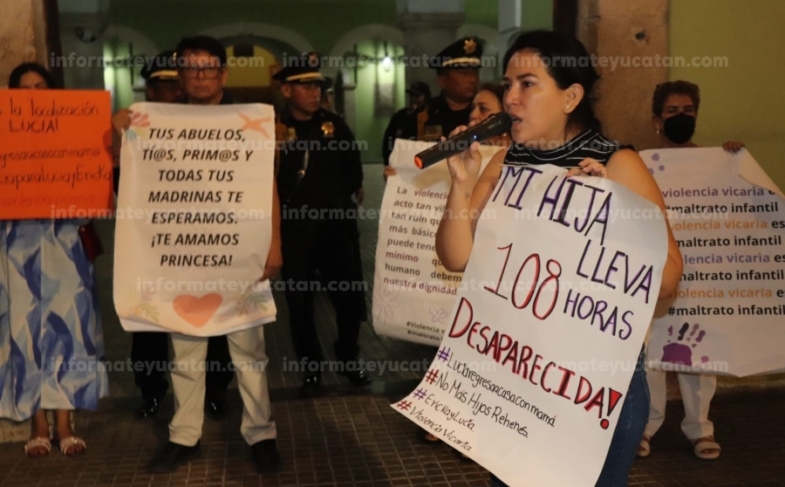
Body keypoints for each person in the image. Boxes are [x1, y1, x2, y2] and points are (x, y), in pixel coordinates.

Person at [434, 31, 684, 487]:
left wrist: (606, 209)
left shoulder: (619, 163)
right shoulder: (507, 161)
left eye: (527, 84)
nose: (510, 98)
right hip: (519, 384)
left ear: (570, 96)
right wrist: (460, 183)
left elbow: (668, 279)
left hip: (592, 392)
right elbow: (455, 257)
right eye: (507, 84)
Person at [113, 35, 282, 473]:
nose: (201, 74)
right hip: (182, 256)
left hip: (238, 252)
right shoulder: (158, 121)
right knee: (184, 349)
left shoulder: (248, 120)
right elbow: (127, 163)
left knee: (249, 350)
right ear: (180, 75)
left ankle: (260, 432)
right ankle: (184, 435)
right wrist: (120, 126)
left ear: (223, 73)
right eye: (191, 67)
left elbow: (267, 188)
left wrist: (274, 244)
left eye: (209, 67)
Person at [111, 50, 235, 421]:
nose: (171, 93)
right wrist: (117, 129)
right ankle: (150, 390)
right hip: (151, 243)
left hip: (203, 241)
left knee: (212, 320)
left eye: (174, 85)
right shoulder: (132, 127)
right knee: (149, 321)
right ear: (148, 89)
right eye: (161, 86)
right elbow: (117, 180)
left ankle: (214, 391)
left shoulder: (208, 122)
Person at [1, 62, 109, 457]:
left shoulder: (75, 130)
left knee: (69, 329)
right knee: (24, 331)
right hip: (15, 245)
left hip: (66, 244)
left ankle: (65, 422)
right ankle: (38, 423)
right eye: (24, 88)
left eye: (41, 86)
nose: (33, 93)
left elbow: (102, 187)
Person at [638, 80, 743, 461]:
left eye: (688, 111)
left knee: (701, 353)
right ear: (656, 120)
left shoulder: (716, 162)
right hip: (659, 273)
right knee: (652, 351)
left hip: (702, 276)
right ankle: (645, 427)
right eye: (672, 112)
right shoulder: (642, 165)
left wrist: (734, 161)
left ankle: (700, 428)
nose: (681, 117)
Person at [274, 52, 369, 395]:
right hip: (294, 233)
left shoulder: (335, 125)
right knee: (300, 305)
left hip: (335, 230)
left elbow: (354, 171)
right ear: (286, 90)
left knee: (347, 301)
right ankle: (310, 368)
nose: (315, 92)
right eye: (306, 86)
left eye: (317, 86)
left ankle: (348, 357)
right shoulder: (273, 130)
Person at [383, 82, 510, 180]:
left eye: (483, 109)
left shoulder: (516, 158)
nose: (473, 114)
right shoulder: (462, 150)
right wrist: (398, 178)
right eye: (472, 108)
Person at [381, 80, 431, 166]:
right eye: (411, 95)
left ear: (425, 97)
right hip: (402, 163)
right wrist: (388, 161)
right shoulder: (400, 116)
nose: (413, 99)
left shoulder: (432, 116)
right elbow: (389, 140)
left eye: (417, 96)